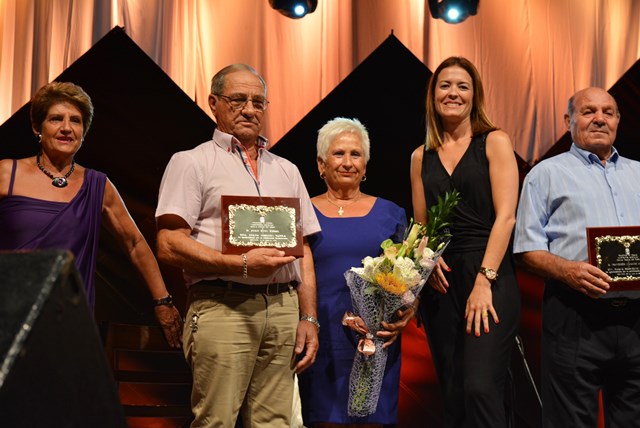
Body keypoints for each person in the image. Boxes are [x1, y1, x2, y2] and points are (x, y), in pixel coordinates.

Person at [155, 63, 321, 428]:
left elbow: (303, 249)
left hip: (282, 308)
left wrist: (308, 316)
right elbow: (168, 243)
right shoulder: (191, 162)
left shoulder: (287, 170)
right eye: (238, 100)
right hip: (221, 304)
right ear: (213, 102)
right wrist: (240, 264)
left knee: (276, 423)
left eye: (258, 102)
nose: (249, 109)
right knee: (216, 421)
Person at [0, 81, 182, 348]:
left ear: (83, 132)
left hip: (70, 321)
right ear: (37, 128)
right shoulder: (6, 173)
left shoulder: (98, 185)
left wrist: (163, 301)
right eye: (55, 119)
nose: (66, 127)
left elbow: (134, 244)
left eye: (76, 121)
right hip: (9, 313)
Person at [513, 87, 640, 427]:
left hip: (636, 319)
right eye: (588, 111)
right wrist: (567, 270)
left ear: (617, 120)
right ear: (568, 121)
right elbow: (526, 249)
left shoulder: (639, 172)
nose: (599, 118)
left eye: (608, 112)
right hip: (575, 314)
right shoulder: (545, 175)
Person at [409, 56, 521, 427]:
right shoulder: (419, 157)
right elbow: (421, 228)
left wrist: (483, 280)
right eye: (445, 85)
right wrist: (425, 258)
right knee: (454, 394)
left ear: (475, 96)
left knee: (481, 388)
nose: (453, 93)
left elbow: (506, 217)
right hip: (441, 282)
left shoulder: (494, 141)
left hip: (488, 276)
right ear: (433, 95)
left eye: (462, 86)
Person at [297, 117, 410, 427]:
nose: (347, 162)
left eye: (355, 154)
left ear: (366, 163)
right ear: (321, 164)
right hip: (319, 339)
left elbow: (410, 278)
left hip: (374, 343)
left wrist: (407, 314)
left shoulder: (392, 213)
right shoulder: (301, 210)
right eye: (338, 154)